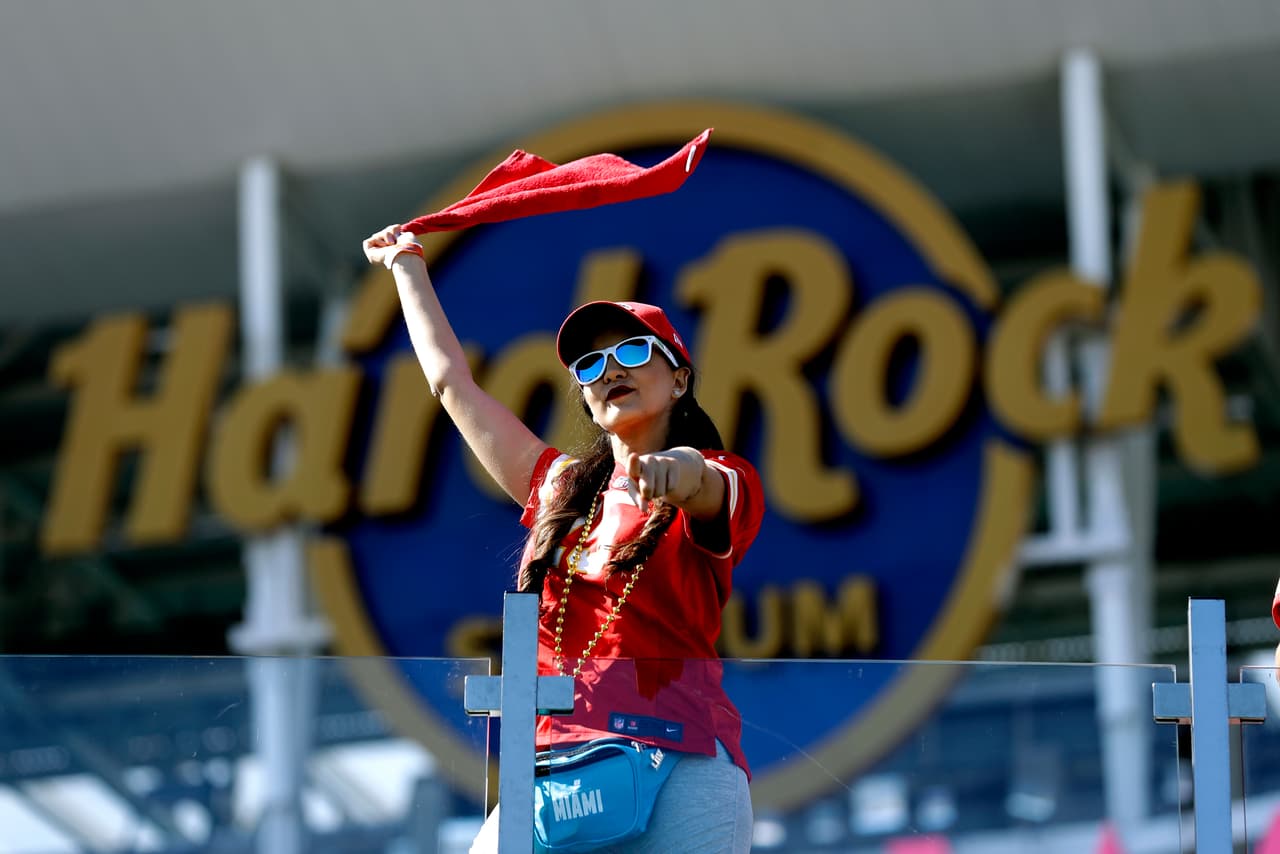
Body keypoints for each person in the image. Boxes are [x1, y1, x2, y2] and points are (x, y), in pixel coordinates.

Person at [363, 226, 764, 853]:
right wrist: (406, 264)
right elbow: (452, 387)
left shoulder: (723, 475)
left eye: (631, 353)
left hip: (682, 758)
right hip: (559, 771)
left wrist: (675, 473)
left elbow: (703, 483)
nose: (609, 373)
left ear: (680, 380)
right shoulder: (561, 488)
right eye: (590, 365)